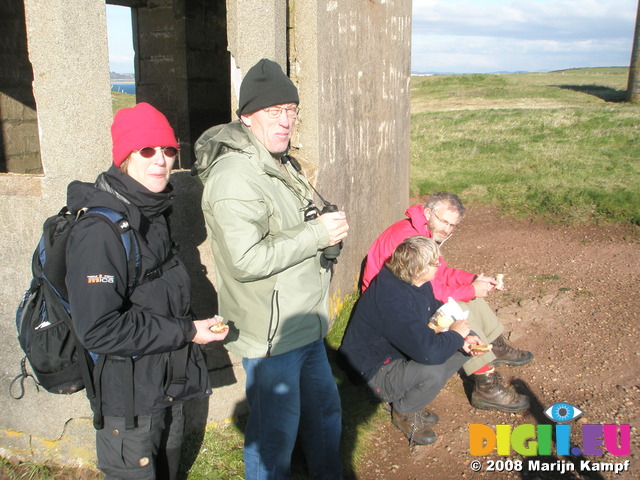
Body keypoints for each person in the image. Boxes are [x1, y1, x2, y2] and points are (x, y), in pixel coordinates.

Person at [192, 58, 348, 479]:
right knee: (273, 435)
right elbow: (246, 261)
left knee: (324, 416)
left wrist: (322, 228)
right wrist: (317, 235)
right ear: (246, 117)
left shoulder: (279, 162)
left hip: (305, 322)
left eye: (291, 110)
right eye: (273, 112)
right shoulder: (235, 177)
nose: (285, 121)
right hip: (272, 334)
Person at [65, 102, 229, 480]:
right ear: (124, 157)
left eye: (169, 150)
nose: (161, 160)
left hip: (163, 385)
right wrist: (188, 331)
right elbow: (98, 329)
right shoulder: (99, 232)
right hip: (129, 403)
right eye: (147, 150)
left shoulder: (151, 211)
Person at [361, 192, 532, 412]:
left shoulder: (423, 230)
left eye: (452, 225)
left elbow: (440, 273)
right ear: (427, 213)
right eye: (443, 221)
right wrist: (469, 290)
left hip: (413, 291)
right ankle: (485, 384)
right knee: (455, 309)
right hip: (390, 302)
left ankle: (493, 346)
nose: (446, 229)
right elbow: (427, 287)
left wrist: (472, 280)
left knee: (473, 299)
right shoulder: (408, 239)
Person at [341, 236, 488, 445]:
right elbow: (429, 354)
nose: (440, 264)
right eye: (436, 262)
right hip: (373, 369)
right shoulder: (392, 300)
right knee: (433, 370)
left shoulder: (416, 281)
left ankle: (410, 396)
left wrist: (462, 338)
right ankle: (403, 410)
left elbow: (433, 310)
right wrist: (454, 335)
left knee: (467, 342)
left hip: (398, 353)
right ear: (419, 268)